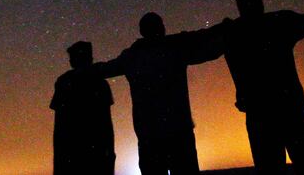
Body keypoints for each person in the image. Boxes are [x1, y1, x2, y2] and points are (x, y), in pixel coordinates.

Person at [96, 12, 225, 175]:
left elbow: (105, 69)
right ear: (161, 28)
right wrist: (226, 37)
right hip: (177, 129)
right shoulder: (174, 49)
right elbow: (208, 50)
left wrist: (84, 69)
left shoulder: (132, 56)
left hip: (149, 133)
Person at [223, 0, 304, 175]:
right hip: (290, 108)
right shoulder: (279, 23)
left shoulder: (233, 33)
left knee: (271, 168)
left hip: (260, 112)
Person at [50, 41, 115, 175]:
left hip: (70, 149)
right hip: (96, 149)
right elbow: (106, 123)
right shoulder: (100, 83)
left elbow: (59, 123)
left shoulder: (64, 81)